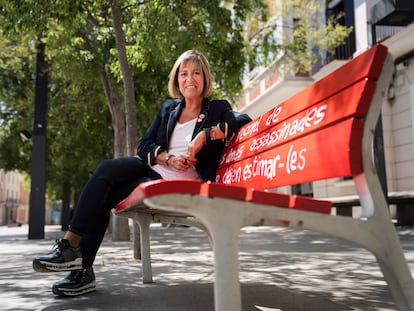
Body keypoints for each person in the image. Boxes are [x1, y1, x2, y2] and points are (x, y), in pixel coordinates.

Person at [32, 49, 251, 297]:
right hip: (153, 169)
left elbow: (243, 120)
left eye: (197, 73)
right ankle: (75, 258)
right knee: (105, 173)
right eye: (184, 73)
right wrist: (168, 157)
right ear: (177, 79)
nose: (190, 79)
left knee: (106, 191)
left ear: (205, 78)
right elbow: (144, 144)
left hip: (177, 182)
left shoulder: (216, 108)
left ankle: (77, 262)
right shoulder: (169, 108)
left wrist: (206, 134)